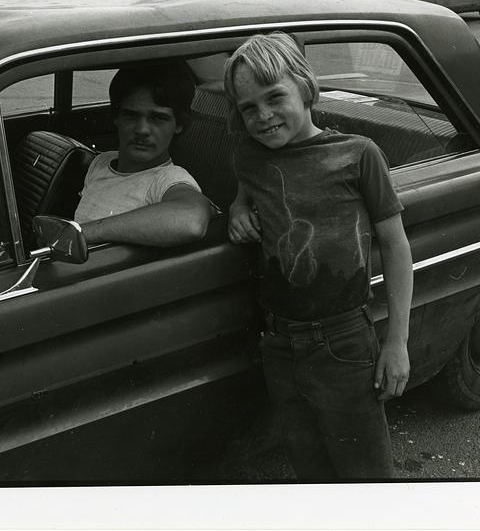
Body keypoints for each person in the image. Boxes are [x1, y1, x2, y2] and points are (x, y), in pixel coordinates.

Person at [224, 32, 413, 480]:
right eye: (248, 107)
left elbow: (395, 244)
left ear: (306, 88)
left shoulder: (358, 154)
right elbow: (245, 190)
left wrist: (397, 342)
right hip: (280, 342)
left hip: (344, 339)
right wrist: (238, 207)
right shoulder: (249, 156)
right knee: (307, 462)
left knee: (364, 470)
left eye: (274, 97)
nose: (263, 116)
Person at [73, 61, 214, 246]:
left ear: (178, 125)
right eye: (131, 115)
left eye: (158, 118)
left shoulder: (167, 178)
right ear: (116, 118)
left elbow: (192, 220)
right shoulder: (101, 162)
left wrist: (82, 234)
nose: (142, 129)